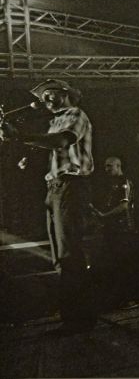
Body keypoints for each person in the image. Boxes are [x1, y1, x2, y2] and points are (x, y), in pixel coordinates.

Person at [0, 79, 96, 336]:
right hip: (56, 189)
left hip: (71, 186)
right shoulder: (54, 121)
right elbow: (50, 147)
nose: (44, 99)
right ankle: (74, 317)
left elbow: (62, 141)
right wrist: (24, 153)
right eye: (42, 96)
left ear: (65, 93)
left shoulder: (75, 114)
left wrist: (20, 136)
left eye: (49, 94)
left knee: (69, 253)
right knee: (60, 256)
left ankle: (79, 320)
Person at [90, 156, 139, 310]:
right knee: (114, 264)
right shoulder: (111, 184)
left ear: (118, 166)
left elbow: (124, 206)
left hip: (122, 229)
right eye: (106, 166)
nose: (107, 169)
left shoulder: (124, 182)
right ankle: (119, 299)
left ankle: (127, 298)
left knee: (121, 263)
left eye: (109, 166)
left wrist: (105, 215)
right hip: (113, 229)